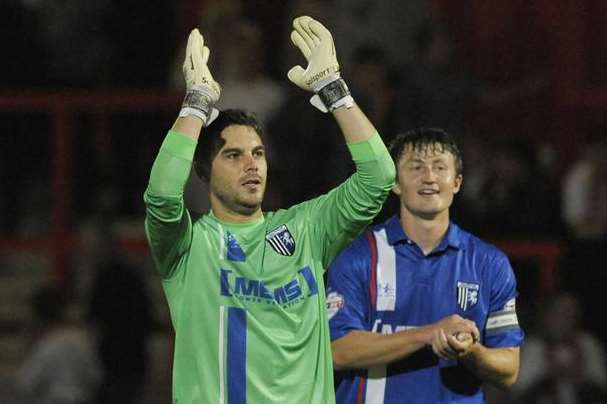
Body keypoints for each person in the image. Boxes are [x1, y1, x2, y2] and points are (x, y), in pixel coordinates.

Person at [143, 16, 395, 403]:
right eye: (233, 155)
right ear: (203, 171)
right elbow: (161, 197)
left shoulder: (307, 229)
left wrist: (334, 90)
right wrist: (195, 105)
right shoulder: (189, 248)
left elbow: (379, 177)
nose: (252, 164)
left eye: (258, 153)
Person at [326, 128, 524, 403]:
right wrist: (430, 334)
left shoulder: (489, 263)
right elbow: (338, 352)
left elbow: (509, 369)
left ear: (456, 182)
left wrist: (469, 351)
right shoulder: (359, 256)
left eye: (439, 167)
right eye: (416, 167)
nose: (429, 177)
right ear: (395, 183)